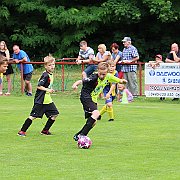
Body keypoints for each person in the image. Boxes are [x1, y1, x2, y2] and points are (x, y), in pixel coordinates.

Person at [72, 62, 127, 141]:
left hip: (93, 99)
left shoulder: (108, 76)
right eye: (100, 74)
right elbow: (82, 80)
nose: (101, 76)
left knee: (93, 122)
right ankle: (82, 135)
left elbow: (118, 80)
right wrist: (75, 84)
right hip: (86, 96)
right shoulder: (94, 77)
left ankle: (78, 135)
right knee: (96, 114)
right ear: (98, 71)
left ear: (107, 72)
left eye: (104, 74)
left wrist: (123, 81)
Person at [17, 55, 59, 137]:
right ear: (45, 66)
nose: (52, 67)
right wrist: (48, 90)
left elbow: (46, 86)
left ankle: (45, 131)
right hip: (40, 100)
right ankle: (22, 131)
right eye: (49, 65)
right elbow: (39, 86)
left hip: (47, 100)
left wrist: (49, 89)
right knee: (33, 116)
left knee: (55, 114)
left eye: (53, 64)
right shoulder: (45, 75)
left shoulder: (50, 74)